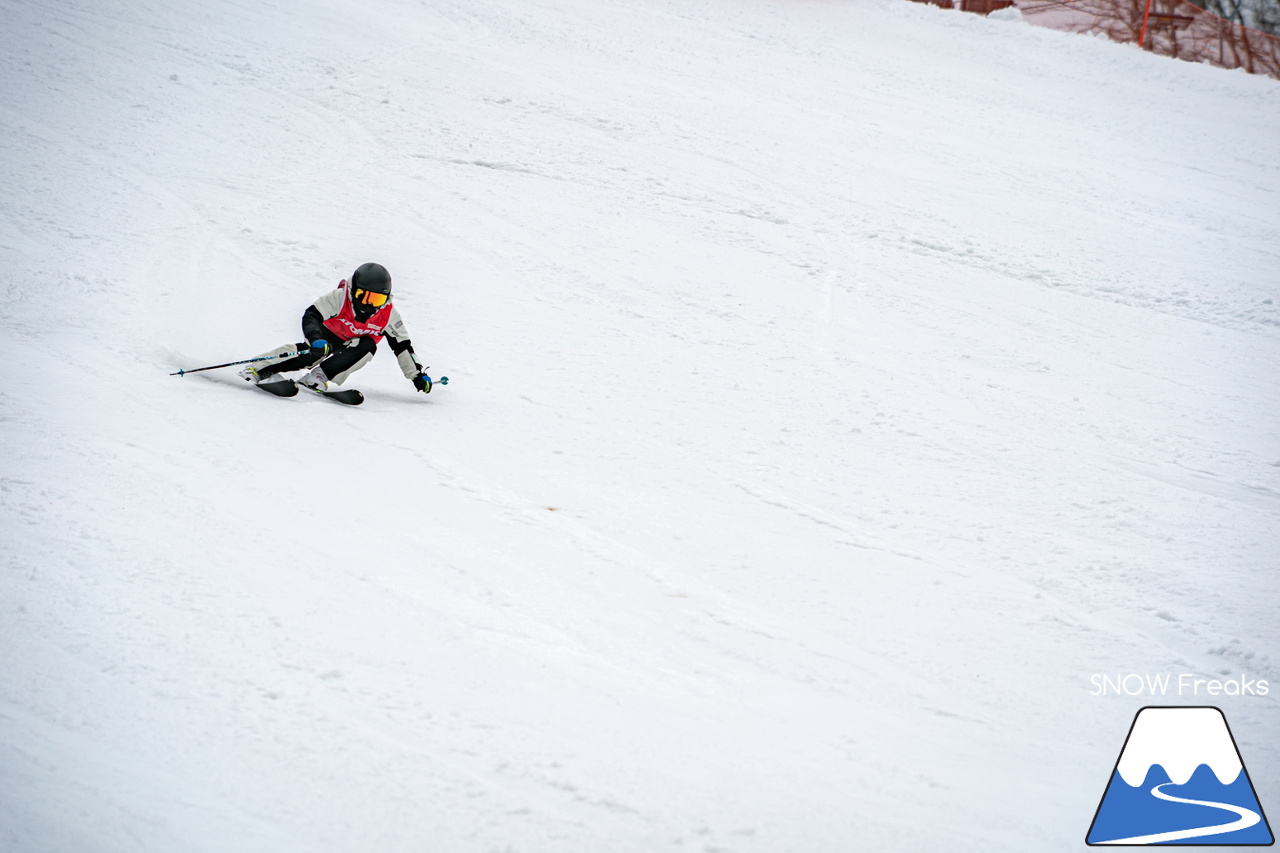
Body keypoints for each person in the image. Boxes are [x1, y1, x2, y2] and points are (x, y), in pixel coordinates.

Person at [240, 262, 433, 393]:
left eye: (377, 299)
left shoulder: (388, 315)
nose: (370, 304)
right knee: (311, 353)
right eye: (364, 296)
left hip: (353, 345)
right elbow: (312, 314)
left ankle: (318, 377)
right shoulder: (340, 297)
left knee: (368, 347)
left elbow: (403, 347)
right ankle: (257, 368)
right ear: (354, 289)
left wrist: (417, 375)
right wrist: (315, 339)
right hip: (327, 336)